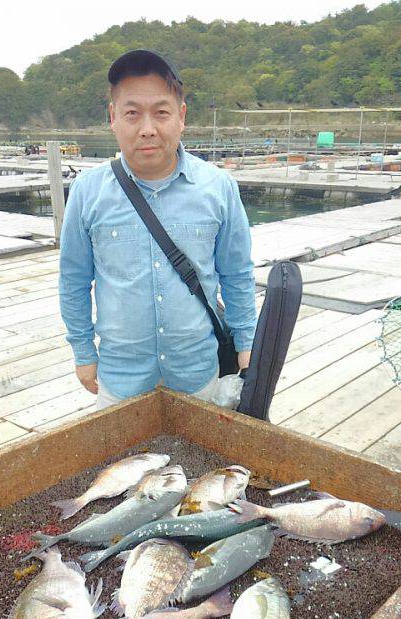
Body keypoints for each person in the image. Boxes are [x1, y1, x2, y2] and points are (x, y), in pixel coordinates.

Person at [59, 50, 256, 409]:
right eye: (132, 113)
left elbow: (237, 273)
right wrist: (82, 351)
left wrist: (246, 343)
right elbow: (73, 279)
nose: (147, 128)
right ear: (113, 118)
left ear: (181, 117)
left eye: (161, 112)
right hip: (120, 379)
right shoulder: (87, 191)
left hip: (198, 374)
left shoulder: (219, 187)